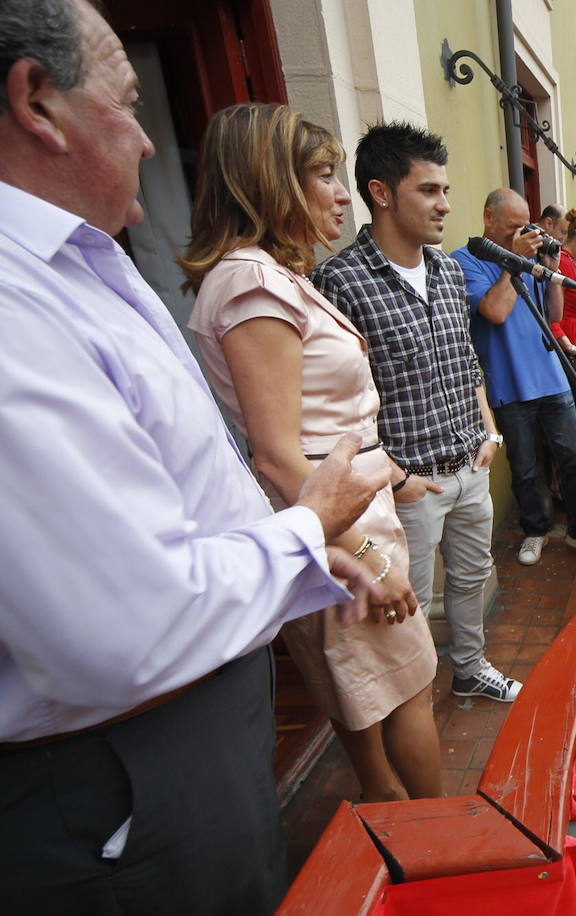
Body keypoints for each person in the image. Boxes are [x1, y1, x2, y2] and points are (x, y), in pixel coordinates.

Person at [0, 3, 391, 910]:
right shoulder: (20, 303)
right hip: (118, 772)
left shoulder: (80, 265)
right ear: (35, 102)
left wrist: (284, 541)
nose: (146, 139)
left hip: (186, 719)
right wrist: (305, 528)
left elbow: (174, 477)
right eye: (128, 101)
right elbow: (120, 629)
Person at [184, 103, 442, 802]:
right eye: (324, 174)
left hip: (345, 524)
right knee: (406, 696)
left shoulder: (273, 276)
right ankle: (439, 850)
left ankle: (410, 858)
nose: (340, 192)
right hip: (336, 535)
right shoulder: (250, 284)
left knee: (377, 706)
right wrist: (365, 557)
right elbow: (277, 454)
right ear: (270, 183)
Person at [311, 122, 522, 703]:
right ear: (382, 193)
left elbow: (466, 358)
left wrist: (489, 431)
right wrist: (399, 480)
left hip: (469, 465)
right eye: (429, 190)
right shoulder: (339, 281)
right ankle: (416, 699)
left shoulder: (449, 268)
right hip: (409, 486)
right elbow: (340, 404)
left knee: (472, 579)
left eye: (445, 190)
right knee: (412, 601)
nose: (445, 205)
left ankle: (469, 667)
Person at [453, 189, 576, 566]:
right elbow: (495, 311)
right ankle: (536, 530)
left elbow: (553, 313)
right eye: (511, 227)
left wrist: (550, 268)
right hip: (508, 381)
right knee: (526, 467)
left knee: (569, 459)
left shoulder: (528, 258)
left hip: (551, 376)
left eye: (525, 227)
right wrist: (516, 260)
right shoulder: (465, 260)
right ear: (488, 218)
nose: (520, 234)